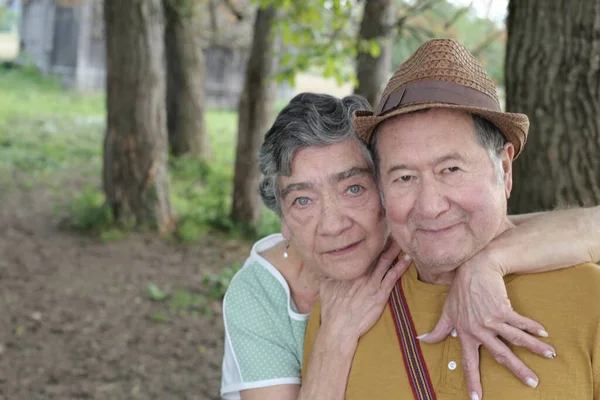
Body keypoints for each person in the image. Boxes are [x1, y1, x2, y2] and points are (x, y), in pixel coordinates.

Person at [221, 91, 600, 400]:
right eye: (302, 200)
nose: (334, 224)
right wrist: (335, 338)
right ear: (282, 220)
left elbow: (532, 228)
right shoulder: (261, 295)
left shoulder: (428, 236)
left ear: (384, 189)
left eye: (354, 188)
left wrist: (485, 262)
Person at [303, 38, 600, 400]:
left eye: (451, 169)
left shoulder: (590, 298)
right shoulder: (343, 307)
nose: (429, 206)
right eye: (404, 178)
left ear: (504, 170)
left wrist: (486, 262)